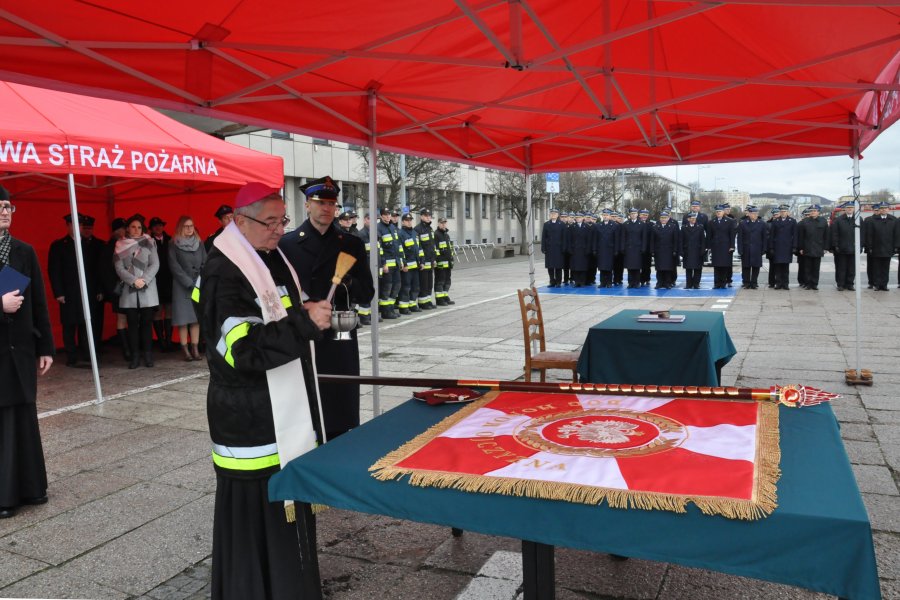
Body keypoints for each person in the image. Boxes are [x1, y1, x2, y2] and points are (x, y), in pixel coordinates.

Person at [199, 182, 331, 600]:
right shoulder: (224, 270)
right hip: (250, 417)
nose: (278, 230)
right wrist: (304, 325)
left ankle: (288, 584)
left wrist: (316, 319)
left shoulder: (270, 258)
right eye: (268, 222)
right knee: (257, 516)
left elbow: (288, 318)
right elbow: (242, 351)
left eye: (282, 220)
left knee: (283, 514)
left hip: (279, 410)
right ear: (239, 222)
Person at [279, 175, 374, 440]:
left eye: (332, 203)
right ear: (307, 204)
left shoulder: (351, 244)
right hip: (301, 332)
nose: (327, 209)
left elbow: (368, 293)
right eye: (320, 202)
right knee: (304, 408)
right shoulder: (286, 245)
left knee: (338, 409)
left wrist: (348, 282)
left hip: (338, 335)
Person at [0, 186, 55, 519]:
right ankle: (5, 496)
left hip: (20, 350)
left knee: (23, 419)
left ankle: (32, 488)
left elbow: (39, 303)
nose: (5, 211)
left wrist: (45, 346)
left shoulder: (24, 251)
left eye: (9, 207)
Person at [48, 213, 96, 367]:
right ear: (68, 226)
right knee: (69, 325)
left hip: (86, 291)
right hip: (68, 292)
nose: (77, 227)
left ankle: (87, 353)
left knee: (86, 323)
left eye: (80, 225)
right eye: (73, 224)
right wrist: (59, 292)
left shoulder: (88, 244)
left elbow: (95, 270)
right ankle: (71, 355)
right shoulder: (59, 245)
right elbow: (54, 270)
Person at [114, 215, 160, 368]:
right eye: (133, 227)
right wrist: (133, 280)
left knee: (147, 323)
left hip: (147, 289)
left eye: (139, 227)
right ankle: (135, 356)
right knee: (132, 324)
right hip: (130, 289)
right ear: (127, 228)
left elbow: (155, 264)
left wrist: (144, 280)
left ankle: (148, 355)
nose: (136, 230)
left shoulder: (150, 242)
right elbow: (119, 268)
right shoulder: (120, 245)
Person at [169, 216, 207, 361]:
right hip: (181, 286)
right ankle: (185, 349)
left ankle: (195, 348)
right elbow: (174, 266)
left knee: (196, 319)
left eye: (191, 226)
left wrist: (200, 281)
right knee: (183, 320)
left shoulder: (199, 243)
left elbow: (206, 261)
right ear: (180, 227)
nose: (190, 229)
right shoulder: (173, 244)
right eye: (186, 226)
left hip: (197, 285)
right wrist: (187, 281)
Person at [101, 218, 131, 361]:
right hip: (118, 288)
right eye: (123, 228)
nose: (125, 231)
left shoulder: (129, 243)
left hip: (130, 287)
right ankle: (126, 350)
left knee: (131, 317)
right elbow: (106, 270)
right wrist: (112, 289)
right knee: (121, 317)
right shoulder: (109, 247)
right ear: (116, 231)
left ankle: (131, 347)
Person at [149, 217, 174, 352]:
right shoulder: (148, 242)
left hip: (169, 280)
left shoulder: (171, 240)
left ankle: (169, 340)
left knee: (169, 311)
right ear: (151, 228)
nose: (158, 228)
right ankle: (161, 341)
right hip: (155, 281)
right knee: (157, 312)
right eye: (155, 226)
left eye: (160, 225)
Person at [862, 202, 895, 291]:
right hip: (876, 247)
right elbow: (869, 234)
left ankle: (884, 285)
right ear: (879, 210)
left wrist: (895, 247)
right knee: (876, 267)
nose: (883, 210)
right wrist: (870, 247)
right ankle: (876, 284)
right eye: (882, 208)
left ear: (888, 209)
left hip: (888, 247)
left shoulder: (893, 220)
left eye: (885, 208)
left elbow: (895, 234)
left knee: (885, 267)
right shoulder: (873, 220)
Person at [796, 204, 829, 290]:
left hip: (818, 247)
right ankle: (807, 284)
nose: (813, 212)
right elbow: (801, 236)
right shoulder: (805, 222)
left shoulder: (823, 221)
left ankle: (814, 284)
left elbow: (826, 235)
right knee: (807, 268)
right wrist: (801, 248)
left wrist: (825, 248)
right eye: (811, 211)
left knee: (816, 268)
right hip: (807, 247)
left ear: (818, 212)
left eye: (814, 211)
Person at [376, 208, 401, 318]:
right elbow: (379, 248)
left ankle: (391, 309)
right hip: (387, 265)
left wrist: (400, 261)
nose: (387, 217)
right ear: (381, 216)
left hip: (395, 263)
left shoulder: (392, 227)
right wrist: (383, 263)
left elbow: (397, 246)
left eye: (388, 214)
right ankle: (385, 311)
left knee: (396, 286)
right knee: (387, 288)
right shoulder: (378, 228)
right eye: (385, 215)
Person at [736, 206, 767, 289]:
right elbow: (740, 238)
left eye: (756, 213)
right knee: (746, 267)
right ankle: (746, 282)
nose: (755, 215)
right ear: (749, 214)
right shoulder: (743, 223)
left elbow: (764, 237)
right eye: (753, 213)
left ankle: (754, 282)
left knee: (756, 267)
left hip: (757, 249)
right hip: (746, 249)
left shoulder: (762, 223)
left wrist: (764, 249)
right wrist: (740, 249)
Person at [707, 204, 736, 289]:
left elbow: (732, 235)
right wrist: (708, 246)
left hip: (726, 247)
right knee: (716, 266)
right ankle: (716, 283)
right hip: (715, 247)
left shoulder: (730, 221)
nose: (718, 213)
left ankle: (723, 283)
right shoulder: (712, 222)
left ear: (723, 212)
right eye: (717, 212)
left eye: (720, 211)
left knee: (724, 265)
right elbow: (709, 235)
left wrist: (732, 246)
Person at [768, 205, 797, 290]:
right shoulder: (776, 221)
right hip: (778, 247)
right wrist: (771, 247)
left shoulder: (792, 221)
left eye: (784, 211)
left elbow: (795, 235)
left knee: (786, 267)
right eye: (781, 212)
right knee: (778, 267)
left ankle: (785, 284)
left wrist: (794, 246)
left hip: (787, 247)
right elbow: (772, 235)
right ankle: (778, 283)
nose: (783, 213)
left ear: (787, 212)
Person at [831, 201, 858, 291]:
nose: (850, 209)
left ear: (854, 209)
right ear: (844, 209)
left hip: (853, 248)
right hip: (841, 248)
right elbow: (834, 234)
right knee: (841, 268)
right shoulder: (838, 220)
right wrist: (835, 245)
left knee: (851, 268)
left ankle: (850, 284)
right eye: (848, 207)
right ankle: (840, 284)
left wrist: (861, 245)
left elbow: (862, 233)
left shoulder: (858, 219)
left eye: (851, 207)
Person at [397, 212, 421, 315]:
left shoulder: (415, 233)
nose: (409, 222)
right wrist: (404, 264)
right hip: (407, 267)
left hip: (415, 265)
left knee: (415, 286)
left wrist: (421, 261)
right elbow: (400, 250)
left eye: (410, 220)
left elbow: (419, 248)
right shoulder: (400, 234)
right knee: (406, 287)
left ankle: (412, 304)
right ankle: (403, 307)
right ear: (402, 222)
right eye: (407, 220)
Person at [354, 214, 375, 325]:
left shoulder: (374, 232)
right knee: (365, 291)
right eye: (370, 219)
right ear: (365, 220)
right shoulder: (362, 233)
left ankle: (369, 315)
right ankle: (363, 316)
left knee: (372, 291)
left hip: (374, 266)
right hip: (366, 266)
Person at [651, 210, 680, 289]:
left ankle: (667, 282)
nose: (663, 219)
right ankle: (659, 283)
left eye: (665, 218)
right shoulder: (655, 227)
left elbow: (675, 240)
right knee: (659, 268)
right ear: (660, 218)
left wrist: (675, 250)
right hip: (659, 251)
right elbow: (652, 240)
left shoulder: (673, 226)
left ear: (668, 218)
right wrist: (652, 251)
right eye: (662, 218)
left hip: (669, 251)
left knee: (668, 268)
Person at [414, 209, 436, 309]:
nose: (428, 217)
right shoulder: (418, 229)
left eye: (429, 216)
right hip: (423, 261)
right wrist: (421, 261)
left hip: (430, 260)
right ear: (421, 216)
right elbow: (418, 247)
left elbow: (432, 246)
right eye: (426, 216)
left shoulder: (430, 229)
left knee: (429, 283)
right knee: (423, 283)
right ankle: (422, 303)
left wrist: (434, 259)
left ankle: (428, 301)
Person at [620, 207, 647, 289]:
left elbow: (644, 238)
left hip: (638, 249)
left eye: (635, 213)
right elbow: (623, 237)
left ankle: (637, 282)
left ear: (637, 214)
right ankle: (630, 282)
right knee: (630, 267)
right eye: (632, 213)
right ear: (629, 215)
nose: (633, 215)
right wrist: (622, 248)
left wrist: (643, 248)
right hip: (629, 248)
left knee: (637, 267)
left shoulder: (642, 224)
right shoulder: (625, 224)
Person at [593, 208, 619, 288]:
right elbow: (595, 239)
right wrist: (594, 249)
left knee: (609, 267)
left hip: (610, 250)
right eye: (604, 215)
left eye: (607, 215)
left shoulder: (614, 225)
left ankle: (609, 282)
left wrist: (616, 250)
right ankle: (602, 282)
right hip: (601, 249)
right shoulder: (598, 225)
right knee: (601, 267)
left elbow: (616, 239)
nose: (605, 217)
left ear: (610, 216)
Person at [540, 207, 565, 287]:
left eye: (554, 213)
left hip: (558, 249)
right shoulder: (546, 224)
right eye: (551, 214)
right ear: (549, 215)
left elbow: (564, 237)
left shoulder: (562, 224)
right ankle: (552, 281)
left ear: (557, 215)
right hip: (549, 248)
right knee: (550, 266)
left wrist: (564, 248)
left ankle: (558, 282)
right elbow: (544, 237)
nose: (553, 215)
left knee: (558, 266)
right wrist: (543, 247)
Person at [681, 212, 706, 289]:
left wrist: (702, 250)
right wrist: (681, 251)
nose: (693, 220)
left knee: (697, 269)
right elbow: (681, 240)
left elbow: (703, 240)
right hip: (687, 251)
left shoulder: (700, 227)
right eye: (691, 218)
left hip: (697, 251)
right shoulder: (684, 227)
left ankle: (696, 284)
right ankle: (688, 284)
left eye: (694, 218)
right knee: (688, 269)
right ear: (688, 219)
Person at [434, 216, 455, 304]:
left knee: (447, 281)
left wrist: (451, 259)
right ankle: (439, 299)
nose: (443, 225)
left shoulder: (446, 235)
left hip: (448, 263)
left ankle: (445, 295)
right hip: (440, 264)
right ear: (438, 224)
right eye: (442, 223)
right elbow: (435, 249)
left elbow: (449, 248)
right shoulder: (436, 234)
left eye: (444, 223)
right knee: (440, 281)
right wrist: (438, 261)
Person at [638, 208, 653, 286]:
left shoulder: (651, 225)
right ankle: (639, 279)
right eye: (643, 215)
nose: (644, 216)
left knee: (647, 266)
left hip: (647, 249)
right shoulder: (637, 223)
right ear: (640, 215)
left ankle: (647, 279)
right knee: (638, 265)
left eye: (646, 215)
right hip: (638, 248)